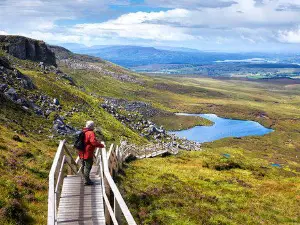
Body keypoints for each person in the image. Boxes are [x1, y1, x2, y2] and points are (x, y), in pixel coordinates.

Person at [79, 121, 104, 185]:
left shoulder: (83, 131)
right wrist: (101, 145)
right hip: (88, 152)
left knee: (83, 165)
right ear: (92, 126)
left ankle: (84, 178)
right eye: (93, 125)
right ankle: (87, 181)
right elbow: (93, 142)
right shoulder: (90, 133)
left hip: (81, 151)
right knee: (88, 167)